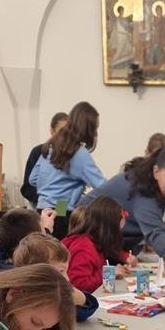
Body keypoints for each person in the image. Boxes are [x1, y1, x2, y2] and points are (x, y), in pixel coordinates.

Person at [80, 146, 165, 280]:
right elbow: (155, 231)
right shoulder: (143, 190)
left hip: (109, 246)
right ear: (156, 172)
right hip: (87, 242)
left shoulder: (153, 185)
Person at [30, 102, 106, 238]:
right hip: (61, 211)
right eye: (95, 128)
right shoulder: (79, 153)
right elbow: (103, 186)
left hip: (41, 211)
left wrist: (54, 188)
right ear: (89, 129)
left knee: (45, 249)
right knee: (61, 250)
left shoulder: (51, 146)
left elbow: (33, 179)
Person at [12, 232, 99, 322]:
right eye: (61, 271)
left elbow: (80, 315)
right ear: (37, 272)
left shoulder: (57, 292)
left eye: (66, 271)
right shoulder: (19, 298)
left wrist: (83, 300)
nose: (67, 278)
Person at [61, 196, 134, 293]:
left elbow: (112, 251)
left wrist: (116, 268)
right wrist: (109, 273)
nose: (119, 233)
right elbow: (79, 285)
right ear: (109, 227)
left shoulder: (94, 241)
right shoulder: (84, 247)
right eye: (118, 229)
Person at [20, 111, 69, 206]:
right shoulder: (38, 152)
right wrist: (47, 200)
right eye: (61, 132)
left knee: (61, 215)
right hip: (40, 206)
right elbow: (27, 188)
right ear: (52, 131)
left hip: (62, 205)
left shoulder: (71, 155)